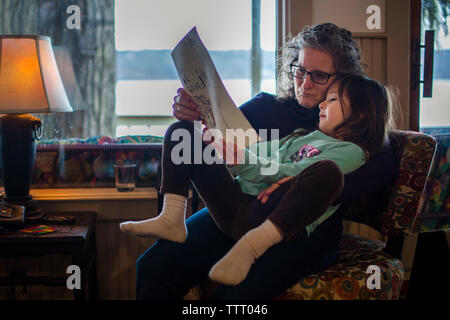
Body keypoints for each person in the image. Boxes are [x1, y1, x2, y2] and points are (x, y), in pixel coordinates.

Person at [131, 23, 397, 299]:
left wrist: (302, 183)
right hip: (242, 206)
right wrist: (193, 114)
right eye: (301, 70)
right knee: (153, 267)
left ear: (345, 80)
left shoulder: (356, 136)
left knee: (237, 292)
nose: (304, 83)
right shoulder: (265, 108)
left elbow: (374, 167)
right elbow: (217, 137)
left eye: (319, 76)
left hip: (301, 231)